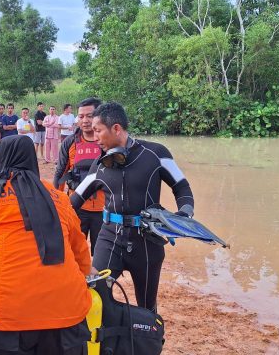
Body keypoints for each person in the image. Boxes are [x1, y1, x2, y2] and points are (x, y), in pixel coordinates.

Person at [0, 135, 93, 354]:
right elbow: (82, 257)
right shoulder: (60, 199)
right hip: (66, 315)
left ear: (0, 159)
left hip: (0, 317)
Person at [70, 102, 195, 312]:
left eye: (98, 130)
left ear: (116, 128)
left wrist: (183, 215)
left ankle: (150, 343)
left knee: (147, 307)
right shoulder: (100, 164)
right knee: (94, 293)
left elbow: (182, 188)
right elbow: (73, 203)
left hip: (147, 243)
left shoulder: (156, 154)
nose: (95, 136)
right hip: (110, 238)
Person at [54, 98, 104, 255]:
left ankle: (100, 280)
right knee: (73, 253)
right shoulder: (69, 143)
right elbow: (60, 173)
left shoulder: (107, 142)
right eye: (81, 116)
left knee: (102, 256)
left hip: (104, 210)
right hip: (76, 208)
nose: (85, 121)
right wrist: (55, 205)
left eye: (90, 116)